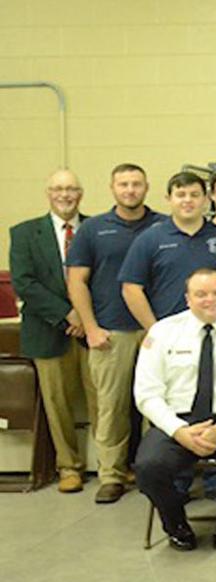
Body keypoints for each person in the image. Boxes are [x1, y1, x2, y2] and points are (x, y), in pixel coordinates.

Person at [132, 268, 216, 551]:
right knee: (148, 466)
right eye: (201, 294)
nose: (210, 300)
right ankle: (176, 525)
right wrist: (178, 431)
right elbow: (147, 393)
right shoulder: (163, 332)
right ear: (187, 298)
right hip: (176, 422)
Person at [66, 163, 168, 503]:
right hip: (111, 331)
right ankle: (111, 475)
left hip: (157, 331)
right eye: (123, 184)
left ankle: (155, 473)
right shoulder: (93, 230)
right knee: (111, 407)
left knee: (158, 405)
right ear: (112, 188)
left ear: (146, 187)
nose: (130, 190)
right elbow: (76, 282)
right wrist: (91, 328)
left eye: (136, 184)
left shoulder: (163, 226)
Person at [9, 169, 98, 493]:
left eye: (71, 189)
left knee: (103, 401)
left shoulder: (97, 229)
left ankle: (110, 466)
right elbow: (25, 283)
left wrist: (85, 317)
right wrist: (66, 314)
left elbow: (106, 278)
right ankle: (69, 467)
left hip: (93, 331)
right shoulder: (24, 233)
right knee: (57, 405)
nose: (65, 195)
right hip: (48, 331)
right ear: (48, 193)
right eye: (58, 189)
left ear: (81, 193)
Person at [118, 172, 216, 326]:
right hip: (170, 331)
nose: (188, 200)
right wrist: (155, 330)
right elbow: (131, 288)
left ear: (206, 199)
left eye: (194, 195)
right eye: (181, 195)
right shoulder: (149, 239)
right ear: (169, 199)